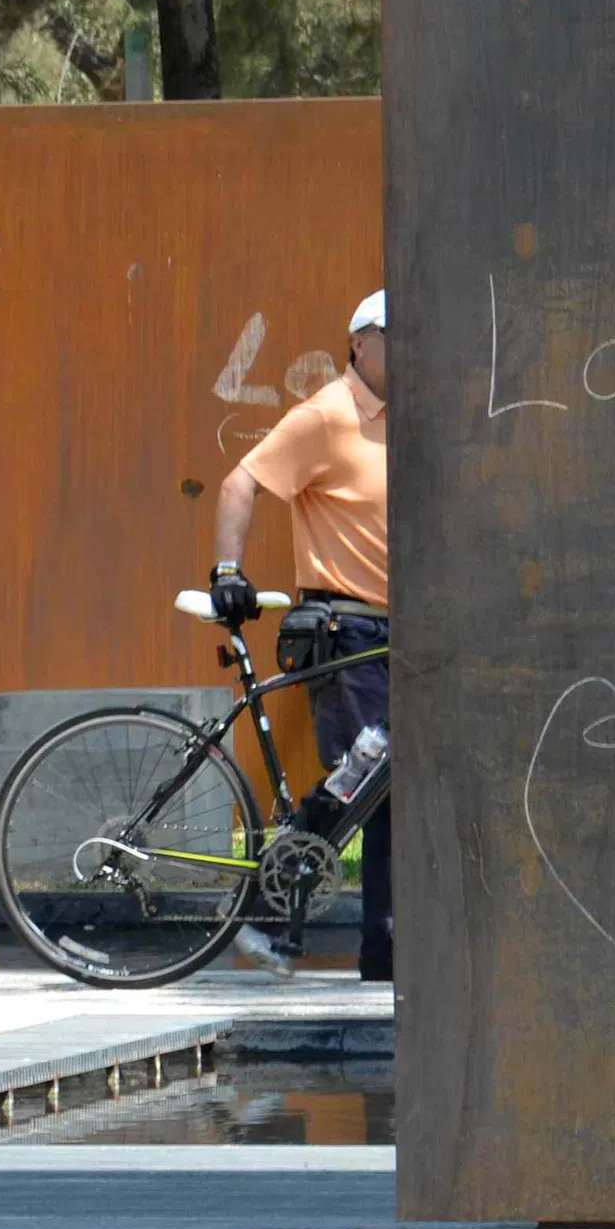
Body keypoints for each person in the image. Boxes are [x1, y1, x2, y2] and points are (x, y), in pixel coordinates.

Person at [210, 286, 391, 980]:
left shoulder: (406, 418)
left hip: (397, 633)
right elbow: (240, 481)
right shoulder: (328, 414)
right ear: (359, 343)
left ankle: (387, 952)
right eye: (393, 335)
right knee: (369, 774)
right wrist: (229, 570)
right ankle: (262, 911)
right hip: (348, 628)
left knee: (389, 790)